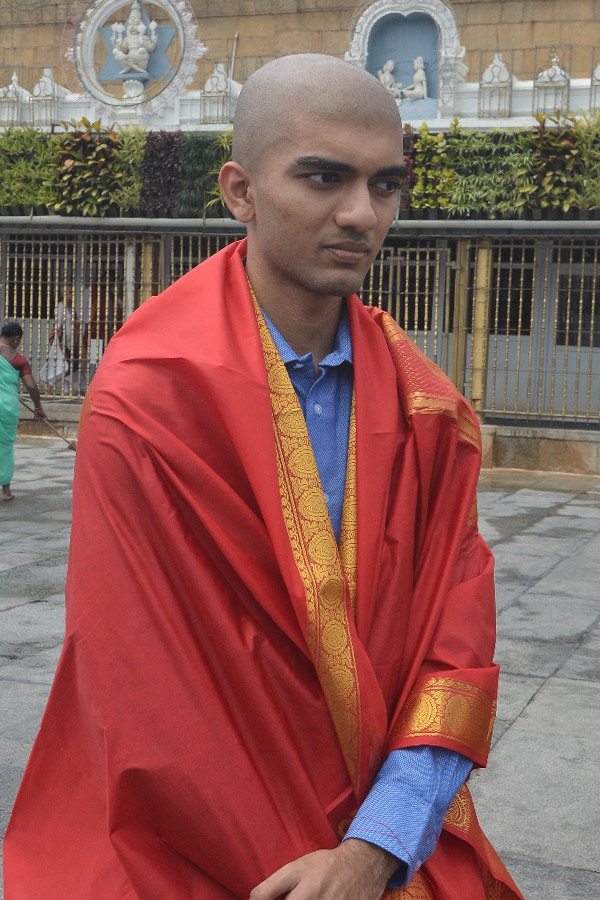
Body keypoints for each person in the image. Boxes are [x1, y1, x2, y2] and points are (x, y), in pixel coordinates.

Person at [4, 54, 525, 900]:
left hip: (382, 846)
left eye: (386, 184)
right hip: (190, 847)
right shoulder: (149, 396)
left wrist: (374, 851)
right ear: (240, 191)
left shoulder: (432, 412)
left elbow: (454, 660)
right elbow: (145, 684)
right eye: (323, 177)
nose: (362, 213)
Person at [0, 322, 46, 501]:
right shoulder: (18, 360)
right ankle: (5, 491)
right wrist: (38, 408)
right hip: (7, 407)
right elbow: (31, 386)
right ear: (16, 339)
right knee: (5, 447)